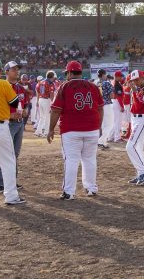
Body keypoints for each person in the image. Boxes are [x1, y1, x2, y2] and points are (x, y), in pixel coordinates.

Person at [47, 60, 104, 200]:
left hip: (71, 129)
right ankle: (91, 188)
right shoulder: (93, 86)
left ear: (70, 73)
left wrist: (50, 129)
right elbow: (100, 108)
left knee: (71, 160)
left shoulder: (64, 86)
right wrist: (99, 126)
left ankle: (69, 192)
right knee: (89, 159)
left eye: (67, 73)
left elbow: (55, 110)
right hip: (92, 129)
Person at [0, 59, 25, 205]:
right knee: (8, 162)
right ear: (0, 71)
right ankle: (11, 196)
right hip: (0, 127)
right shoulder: (3, 83)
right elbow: (14, 103)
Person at [126, 70, 144, 185]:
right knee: (137, 147)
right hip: (135, 118)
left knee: (130, 146)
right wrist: (134, 91)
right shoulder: (138, 89)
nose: (135, 82)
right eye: (133, 80)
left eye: (137, 80)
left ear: (142, 78)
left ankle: (143, 172)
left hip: (141, 119)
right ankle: (141, 174)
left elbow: (141, 103)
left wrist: (133, 91)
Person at [96, 69, 114, 149]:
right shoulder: (107, 83)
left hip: (98, 106)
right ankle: (101, 141)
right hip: (106, 105)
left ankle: (102, 142)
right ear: (103, 74)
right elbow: (112, 96)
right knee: (110, 124)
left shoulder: (96, 83)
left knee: (103, 124)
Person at [36, 70, 56, 137]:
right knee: (48, 117)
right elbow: (51, 94)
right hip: (47, 100)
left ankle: (38, 131)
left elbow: (37, 91)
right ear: (51, 77)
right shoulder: (50, 83)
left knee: (42, 117)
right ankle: (46, 132)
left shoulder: (41, 82)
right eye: (53, 77)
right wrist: (52, 103)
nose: (54, 78)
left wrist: (37, 100)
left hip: (41, 99)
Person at [112, 71, 125, 143]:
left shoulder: (116, 83)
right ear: (116, 77)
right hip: (117, 102)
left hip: (115, 102)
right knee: (118, 121)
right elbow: (119, 97)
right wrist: (122, 106)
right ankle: (117, 137)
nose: (121, 77)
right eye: (120, 76)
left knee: (115, 121)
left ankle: (111, 136)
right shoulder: (117, 84)